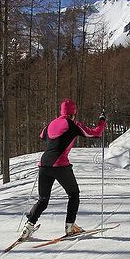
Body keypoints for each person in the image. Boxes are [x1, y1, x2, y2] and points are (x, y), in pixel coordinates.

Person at [20, 98, 106, 239]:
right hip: (60, 164)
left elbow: (42, 136)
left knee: (43, 200)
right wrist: (102, 120)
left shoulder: (50, 124)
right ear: (73, 113)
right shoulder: (73, 124)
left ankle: (28, 227)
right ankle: (69, 226)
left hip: (43, 164)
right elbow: (95, 133)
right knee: (73, 194)